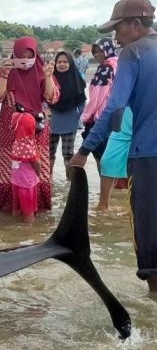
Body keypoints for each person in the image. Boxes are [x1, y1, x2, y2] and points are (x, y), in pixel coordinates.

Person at [68, 0, 157, 292]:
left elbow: (114, 109)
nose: (115, 38)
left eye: (117, 29)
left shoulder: (133, 54)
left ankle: (152, 308)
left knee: (148, 238)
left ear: (135, 24)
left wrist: (84, 151)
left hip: (147, 156)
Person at [0, 36, 59, 214]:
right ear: (14, 55)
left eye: (30, 55)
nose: (26, 60)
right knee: (8, 174)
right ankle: (10, 212)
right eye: (22, 56)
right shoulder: (4, 73)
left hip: (37, 133)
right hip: (9, 134)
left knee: (38, 173)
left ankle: (35, 213)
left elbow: (53, 98)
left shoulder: (43, 73)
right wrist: (4, 74)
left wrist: (49, 76)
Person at [79, 38, 119, 210]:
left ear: (107, 50)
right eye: (94, 51)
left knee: (100, 159)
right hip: (116, 118)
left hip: (100, 119)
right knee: (111, 159)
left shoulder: (105, 68)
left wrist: (86, 116)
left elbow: (97, 96)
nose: (96, 54)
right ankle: (112, 197)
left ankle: (103, 204)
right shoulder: (118, 64)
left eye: (99, 51)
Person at [48, 51, 86, 180]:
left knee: (68, 155)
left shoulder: (77, 80)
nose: (62, 64)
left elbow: (82, 104)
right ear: (55, 64)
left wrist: (80, 118)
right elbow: (43, 99)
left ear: (70, 63)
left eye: (65, 62)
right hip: (50, 123)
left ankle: (70, 184)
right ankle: (48, 182)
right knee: (48, 154)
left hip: (70, 123)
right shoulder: (49, 79)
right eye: (59, 62)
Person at [10, 110, 41, 223]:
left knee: (16, 207)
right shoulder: (28, 145)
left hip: (15, 182)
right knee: (29, 211)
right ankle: (28, 232)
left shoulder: (16, 142)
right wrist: (39, 174)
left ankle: (15, 225)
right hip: (27, 185)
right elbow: (36, 163)